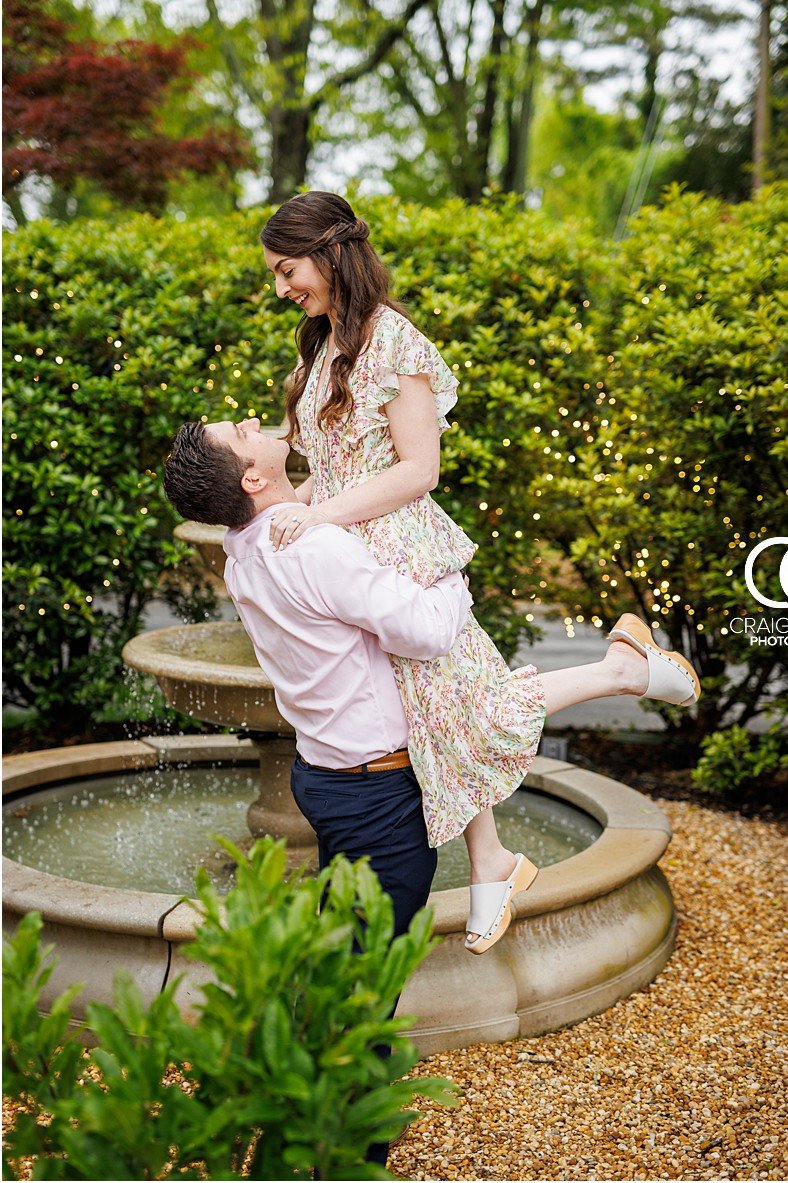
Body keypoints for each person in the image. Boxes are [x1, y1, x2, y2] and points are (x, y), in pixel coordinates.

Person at [252, 190, 699, 952]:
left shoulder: (398, 343)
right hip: (349, 564)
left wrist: (322, 517)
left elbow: (420, 470)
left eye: (287, 269)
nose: (280, 288)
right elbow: (316, 463)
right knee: (437, 724)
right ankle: (491, 855)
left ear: (329, 255)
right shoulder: (320, 347)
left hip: (400, 558)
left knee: (470, 712)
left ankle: (621, 672)